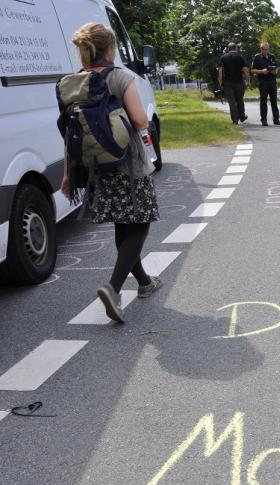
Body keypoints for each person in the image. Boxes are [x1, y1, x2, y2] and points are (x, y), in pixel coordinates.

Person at [61, 23, 161, 322]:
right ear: (111, 48)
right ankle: (113, 288)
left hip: (98, 168)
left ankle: (144, 283)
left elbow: (69, 134)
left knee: (122, 226)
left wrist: (68, 174)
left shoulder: (74, 83)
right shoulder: (119, 77)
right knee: (140, 225)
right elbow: (142, 121)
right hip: (129, 164)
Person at [251, 42, 280, 126]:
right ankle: (264, 120)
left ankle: (276, 119)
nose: (266, 51)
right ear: (261, 49)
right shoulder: (257, 57)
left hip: (272, 81)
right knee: (263, 101)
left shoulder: (272, 56)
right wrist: (261, 71)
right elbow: (253, 70)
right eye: (264, 49)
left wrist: (275, 71)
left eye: (267, 49)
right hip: (263, 81)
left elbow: (277, 68)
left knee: (274, 101)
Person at [218, 42, 249, 125]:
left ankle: (235, 120)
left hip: (228, 83)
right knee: (240, 100)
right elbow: (245, 70)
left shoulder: (223, 58)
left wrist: (221, 83)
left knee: (231, 102)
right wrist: (247, 81)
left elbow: (221, 71)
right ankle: (242, 117)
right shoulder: (240, 57)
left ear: (228, 49)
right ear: (236, 48)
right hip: (239, 82)